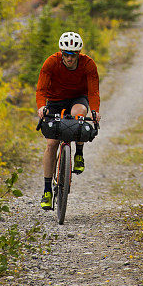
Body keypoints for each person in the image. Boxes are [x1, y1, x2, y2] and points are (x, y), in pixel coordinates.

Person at [36, 31, 101, 210]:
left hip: (78, 98)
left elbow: (93, 92)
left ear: (78, 54)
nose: (69, 58)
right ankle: (47, 190)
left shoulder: (88, 64)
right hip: (54, 101)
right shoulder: (51, 62)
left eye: (72, 55)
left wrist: (94, 111)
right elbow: (41, 89)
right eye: (65, 54)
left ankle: (78, 153)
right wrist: (42, 107)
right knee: (51, 143)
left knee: (79, 116)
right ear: (61, 53)